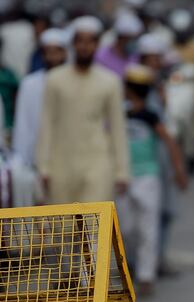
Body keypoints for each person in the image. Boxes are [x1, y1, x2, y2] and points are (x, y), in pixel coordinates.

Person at [36, 16, 129, 204]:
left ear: (97, 45)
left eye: (90, 42)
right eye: (80, 41)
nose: (85, 47)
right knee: (63, 229)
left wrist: (122, 171)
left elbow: (118, 127)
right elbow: (46, 123)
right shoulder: (55, 79)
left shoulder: (110, 81)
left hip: (98, 162)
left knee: (94, 228)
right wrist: (43, 167)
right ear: (73, 44)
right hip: (61, 163)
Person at [118, 64, 188, 296]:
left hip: (148, 176)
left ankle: (146, 276)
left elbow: (169, 142)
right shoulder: (119, 113)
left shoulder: (150, 115)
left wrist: (178, 170)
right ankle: (131, 266)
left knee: (148, 226)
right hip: (124, 176)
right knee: (125, 228)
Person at [12, 28, 68, 169]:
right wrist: (20, 158)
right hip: (36, 158)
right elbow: (23, 124)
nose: (53, 57)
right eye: (49, 52)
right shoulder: (29, 84)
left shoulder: (76, 83)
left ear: (64, 53)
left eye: (57, 52)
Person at [95, 12, 143, 78]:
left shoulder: (135, 57)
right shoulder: (101, 56)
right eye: (131, 39)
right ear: (122, 38)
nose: (133, 43)